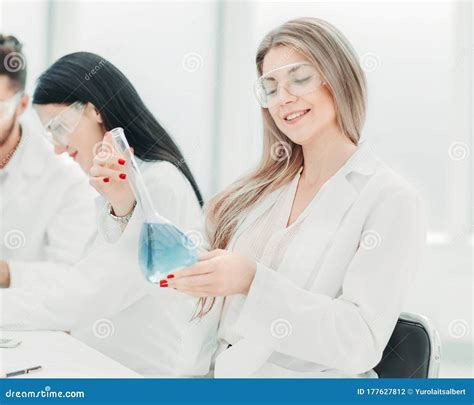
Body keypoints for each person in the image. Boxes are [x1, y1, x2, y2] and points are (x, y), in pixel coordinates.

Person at [166, 18, 427, 378]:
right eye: (270, 88)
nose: (283, 98)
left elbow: (360, 340)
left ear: (337, 79)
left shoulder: (388, 198)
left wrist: (252, 282)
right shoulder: (261, 190)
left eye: (299, 79)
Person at [0, 52, 221, 377]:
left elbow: (90, 293)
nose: (59, 147)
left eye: (60, 128)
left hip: (153, 377)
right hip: (110, 364)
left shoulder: (158, 184)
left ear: (95, 109)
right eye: (50, 134)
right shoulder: (118, 190)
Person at [0, 35, 96, 289]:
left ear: (21, 105)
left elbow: (70, 278)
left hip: (25, 323)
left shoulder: (66, 177)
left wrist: (6, 273)